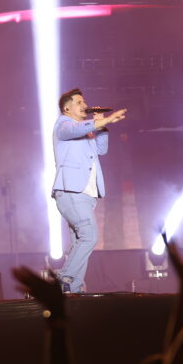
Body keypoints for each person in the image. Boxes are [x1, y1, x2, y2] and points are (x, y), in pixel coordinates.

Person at [52, 88, 126, 293]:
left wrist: (101, 124)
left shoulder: (87, 130)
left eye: (84, 102)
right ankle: (64, 278)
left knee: (80, 241)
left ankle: (73, 288)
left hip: (85, 195)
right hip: (71, 191)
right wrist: (106, 120)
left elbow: (102, 149)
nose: (84, 105)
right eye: (79, 102)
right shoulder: (63, 124)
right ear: (67, 107)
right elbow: (73, 131)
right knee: (90, 236)